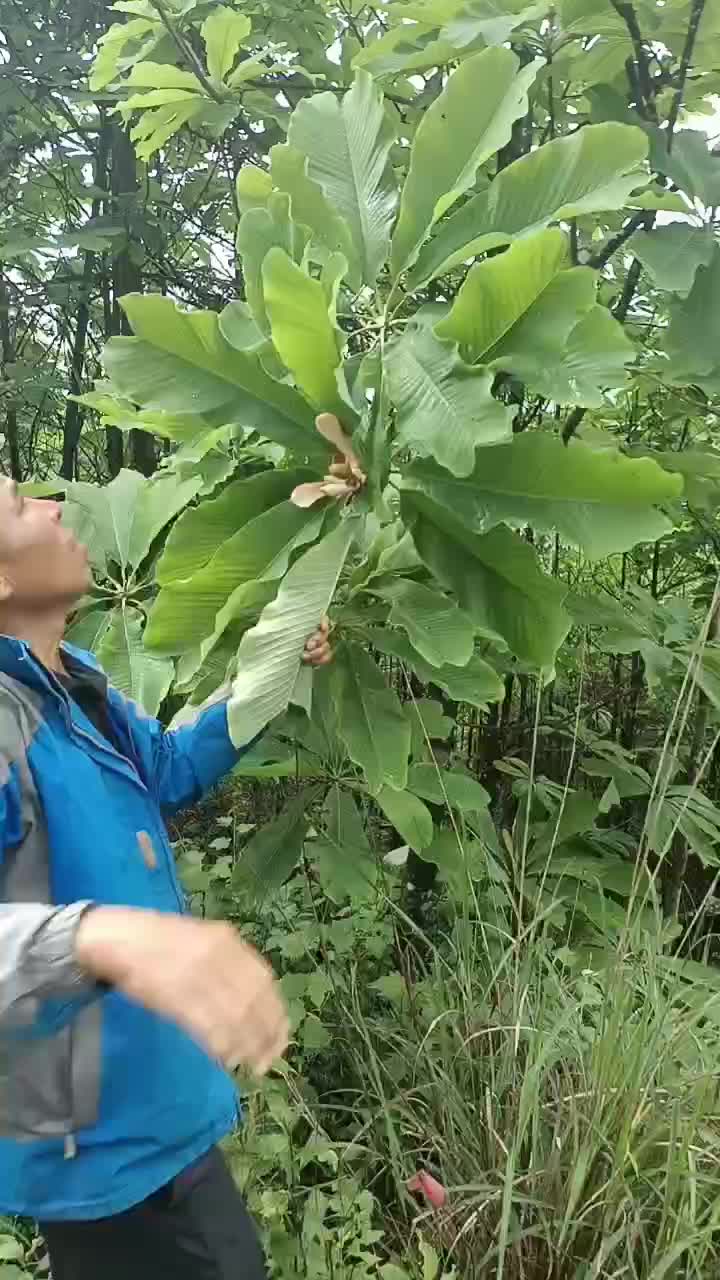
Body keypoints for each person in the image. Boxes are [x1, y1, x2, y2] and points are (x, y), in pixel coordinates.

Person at [0, 478, 332, 1279]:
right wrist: (101, 935)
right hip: (102, 1153)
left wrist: (275, 659)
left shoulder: (75, 682)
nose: (52, 506)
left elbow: (170, 766)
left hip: (157, 1116)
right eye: (17, 506)